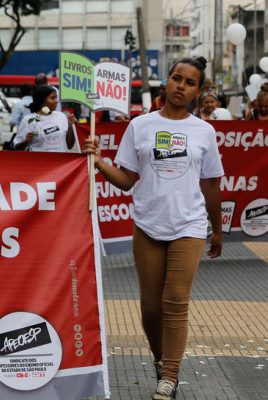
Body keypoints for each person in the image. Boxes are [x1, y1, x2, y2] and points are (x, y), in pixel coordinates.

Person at [83, 56, 223, 400]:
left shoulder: (204, 131)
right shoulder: (140, 125)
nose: (181, 86)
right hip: (147, 225)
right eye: (177, 78)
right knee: (150, 308)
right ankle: (161, 360)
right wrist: (98, 162)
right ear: (167, 80)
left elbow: (211, 184)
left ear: (198, 91)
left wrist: (218, 229)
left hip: (189, 226)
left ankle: (169, 376)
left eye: (190, 82)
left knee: (175, 301)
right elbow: (126, 180)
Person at [13, 85, 75, 152]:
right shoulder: (28, 120)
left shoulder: (61, 116)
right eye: (52, 98)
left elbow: (69, 146)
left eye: (56, 98)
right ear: (41, 100)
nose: (56, 101)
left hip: (62, 159)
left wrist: (70, 126)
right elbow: (17, 148)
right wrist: (26, 142)